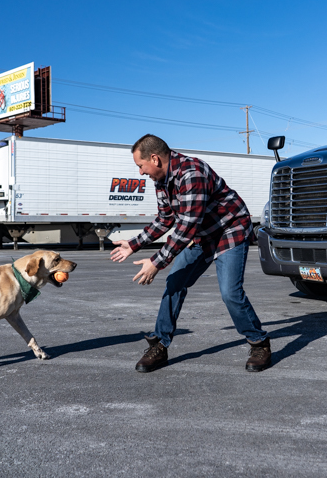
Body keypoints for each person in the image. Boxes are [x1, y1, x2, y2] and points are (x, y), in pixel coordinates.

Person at [110, 134, 271, 373]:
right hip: (203, 234)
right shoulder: (162, 180)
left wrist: (156, 262)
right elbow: (166, 219)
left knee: (230, 293)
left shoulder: (192, 173)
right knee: (175, 282)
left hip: (229, 230)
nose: (141, 173)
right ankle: (160, 345)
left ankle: (259, 343)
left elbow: (186, 227)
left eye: (141, 166)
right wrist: (134, 244)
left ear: (154, 159)